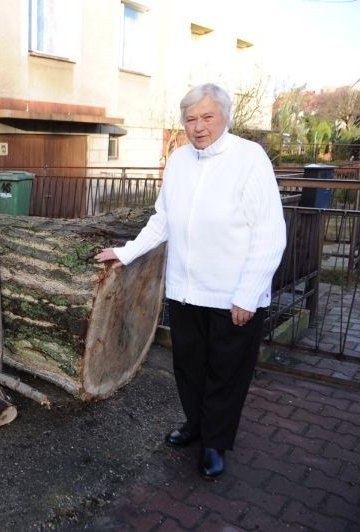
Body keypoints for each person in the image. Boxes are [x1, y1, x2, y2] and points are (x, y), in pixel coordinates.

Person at [95, 83, 286, 479]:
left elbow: (270, 232)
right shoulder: (180, 160)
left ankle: (215, 442)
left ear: (225, 117)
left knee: (225, 372)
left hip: (232, 294)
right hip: (186, 291)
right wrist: (126, 252)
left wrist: (248, 294)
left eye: (206, 117)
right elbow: (162, 220)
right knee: (190, 366)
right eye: (190, 119)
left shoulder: (249, 158)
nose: (198, 127)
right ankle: (196, 425)